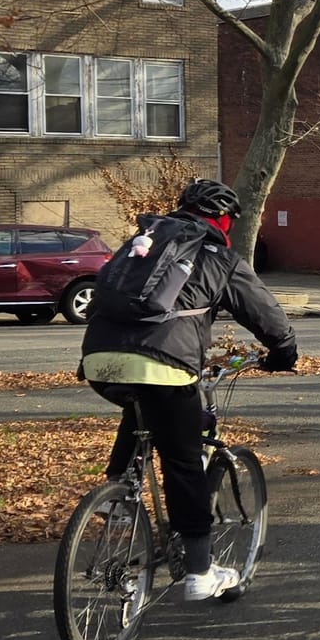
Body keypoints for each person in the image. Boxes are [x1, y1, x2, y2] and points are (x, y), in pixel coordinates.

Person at [79, 179, 298, 603]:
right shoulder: (218, 256)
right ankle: (199, 571)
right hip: (165, 364)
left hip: (99, 361)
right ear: (224, 220)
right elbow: (265, 313)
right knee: (182, 460)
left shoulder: (142, 244)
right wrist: (284, 351)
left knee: (142, 405)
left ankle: (116, 491)